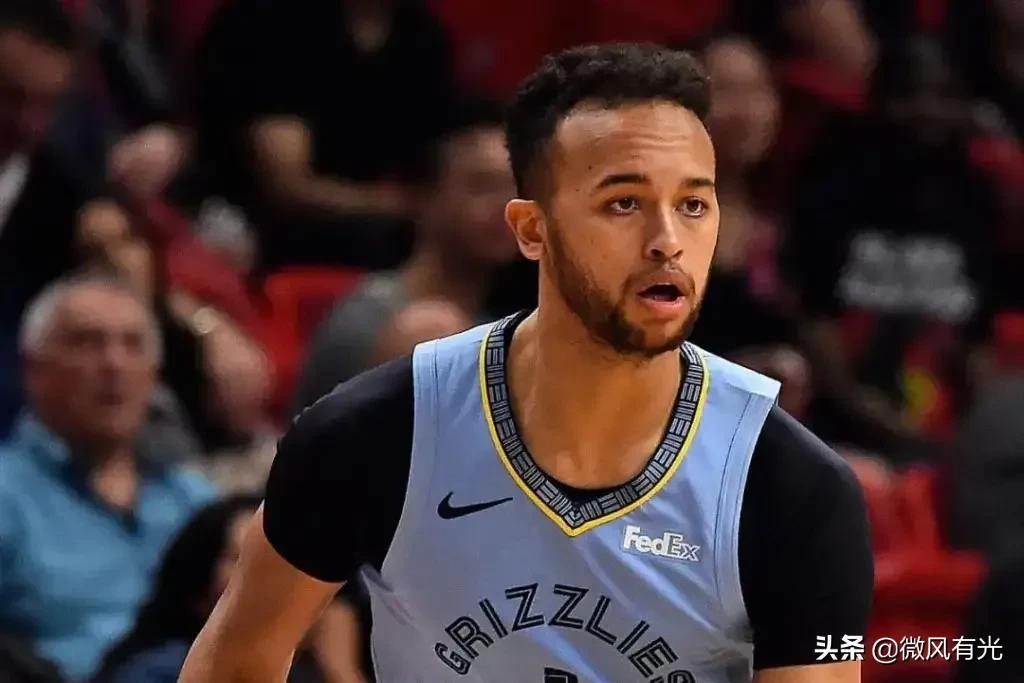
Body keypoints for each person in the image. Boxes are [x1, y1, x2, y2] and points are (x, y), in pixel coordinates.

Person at [181, 43, 873, 682]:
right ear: (532, 229)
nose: (668, 239)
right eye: (624, 203)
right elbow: (233, 663)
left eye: (693, 203)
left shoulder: (792, 488)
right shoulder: (374, 433)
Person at [0, 273, 216, 680]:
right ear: (34, 369)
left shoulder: (193, 499)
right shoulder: (7, 494)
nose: (115, 364)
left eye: (133, 345)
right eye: (87, 342)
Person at [291, 98, 518, 412]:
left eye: (515, 188)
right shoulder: (376, 321)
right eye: (482, 187)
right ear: (423, 197)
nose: (506, 207)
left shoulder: (501, 321)